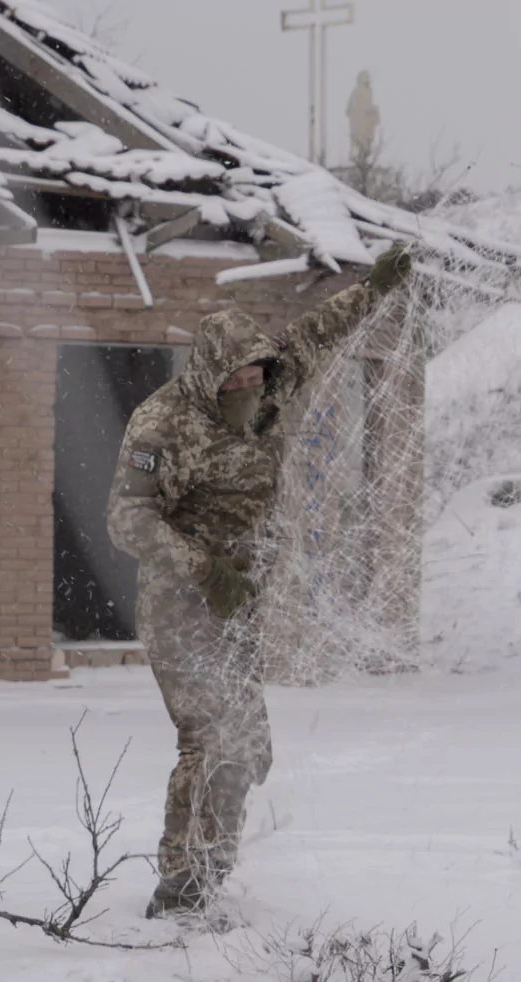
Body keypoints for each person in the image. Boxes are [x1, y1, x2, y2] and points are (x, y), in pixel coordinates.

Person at [108, 245, 416, 917]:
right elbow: (124, 519)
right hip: (179, 605)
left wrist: (376, 287)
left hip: (238, 603)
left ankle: (216, 867)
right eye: (237, 377)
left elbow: (316, 331)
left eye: (258, 373)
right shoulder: (162, 424)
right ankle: (180, 880)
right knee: (208, 737)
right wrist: (201, 566)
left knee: (248, 746)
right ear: (211, 373)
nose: (251, 385)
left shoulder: (272, 388)